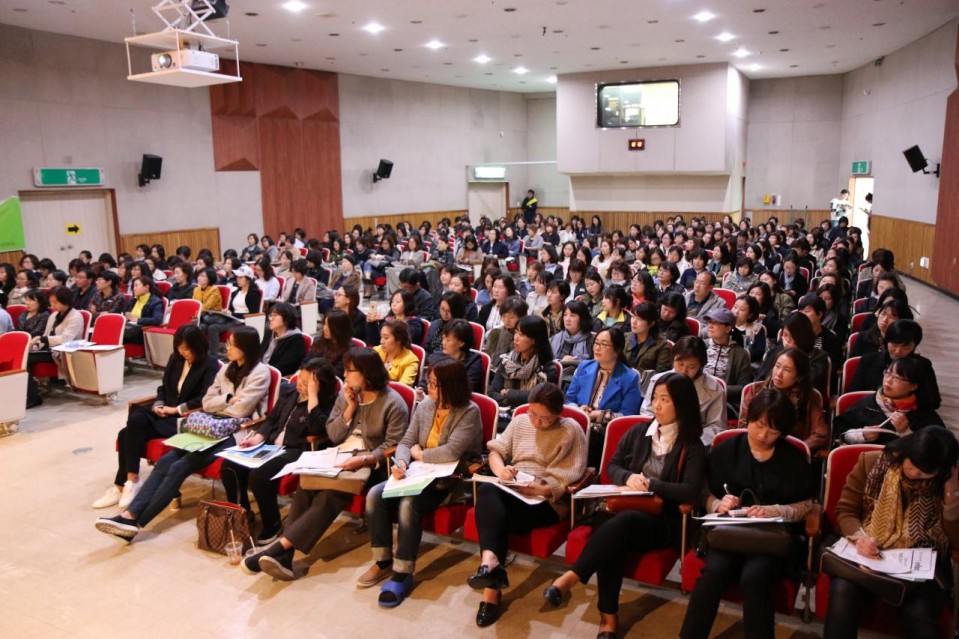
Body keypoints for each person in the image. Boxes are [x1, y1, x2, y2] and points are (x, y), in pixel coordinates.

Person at [543, 373, 706, 638]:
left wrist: (651, 484)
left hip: (660, 520)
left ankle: (573, 578)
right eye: (655, 398)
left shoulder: (693, 445)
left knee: (622, 525)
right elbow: (613, 466)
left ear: (682, 404)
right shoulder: (639, 431)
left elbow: (690, 490)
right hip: (621, 508)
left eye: (665, 400)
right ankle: (608, 617)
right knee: (614, 535)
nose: (656, 405)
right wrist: (629, 477)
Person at [242, 347, 408, 580]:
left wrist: (365, 459)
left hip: (371, 464)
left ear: (366, 373)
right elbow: (334, 434)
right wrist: (350, 408)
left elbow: (393, 445)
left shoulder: (393, 403)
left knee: (330, 493)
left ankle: (277, 549)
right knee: (307, 485)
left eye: (350, 371)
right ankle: (284, 557)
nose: (345, 375)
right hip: (339, 454)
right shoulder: (347, 395)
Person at [95, 327, 271, 542]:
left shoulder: (260, 372)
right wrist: (227, 400)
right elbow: (207, 402)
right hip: (208, 426)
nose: (228, 348)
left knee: (179, 466)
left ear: (246, 347)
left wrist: (221, 404)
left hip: (235, 433)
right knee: (165, 461)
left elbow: (241, 410)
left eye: (232, 344)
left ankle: (136, 522)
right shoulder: (226, 368)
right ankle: (129, 515)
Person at [680, 388, 813, 639]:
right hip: (728, 536)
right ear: (748, 419)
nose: (763, 435)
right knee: (713, 573)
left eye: (772, 431)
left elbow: (807, 506)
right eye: (758, 425)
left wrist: (775, 510)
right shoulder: (726, 450)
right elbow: (702, 493)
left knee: (755, 576)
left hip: (769, 541)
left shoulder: (792, 459)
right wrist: (717, 504)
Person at [362, 358, 483, 606]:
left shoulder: (469, 411)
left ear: (451, 386)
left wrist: (419, 455)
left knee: (409, 503)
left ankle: (402, 571)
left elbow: (451, 451)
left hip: (448, 480)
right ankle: (383, 561)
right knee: (375, 494)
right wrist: (401, 462)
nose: (429, 388)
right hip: (417, 474)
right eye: (429, 382)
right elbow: (407, 441)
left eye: (435, 384)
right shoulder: (426, 405)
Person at [466, 382, 587, 627]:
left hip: (547, 501)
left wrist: (541, 488)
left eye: (545, 418)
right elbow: (496, 452)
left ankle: (491, 589)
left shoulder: (571, 430)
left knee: (494, 517)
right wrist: (502, 471)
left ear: (558, 414)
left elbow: (569, 475)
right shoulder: (521, 421)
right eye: (533, 414)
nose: (537, 422)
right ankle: (490, 563)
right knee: (489, 489)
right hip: (516, 488)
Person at [822, 428, 959, 639]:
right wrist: (860, 538)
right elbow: (846, 510)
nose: (914, 474)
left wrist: (951, 496)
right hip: (869, 556)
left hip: (919, 567)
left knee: (920, 614)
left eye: (924, 473)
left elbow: (956, 541)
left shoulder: (948, 484)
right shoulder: (872, 463)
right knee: (843, 591)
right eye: (912, 465)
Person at [92, 325, 219, 510]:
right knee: (133, 422)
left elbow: (204, 398)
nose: (182, 352)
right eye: (179, 347)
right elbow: (163, 388)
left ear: (197, 346)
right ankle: (129, 482)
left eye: (186, 348)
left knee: (126, 433)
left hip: (185, 419)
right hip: (164, 413)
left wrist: (175, 410)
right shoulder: (175, 359)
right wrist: (158, 404)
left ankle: (126, 484)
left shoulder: (210, 364)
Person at [221, 357, 338, 545]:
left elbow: (318, 429)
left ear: (319, 386)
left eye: (306, 383)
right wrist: (257, 438)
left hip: (296, 450)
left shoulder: (326, 404)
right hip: (269, 445)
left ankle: (272, 523)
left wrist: (312, 397)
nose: (299, 384)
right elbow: (271, 419)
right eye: (300, 379)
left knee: (259, 476)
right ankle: (242, 513)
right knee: (229, 466)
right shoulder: (290, 391)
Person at [565, 327, 642, 464]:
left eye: (604, 344)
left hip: (604, 431)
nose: (597, 348)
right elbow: (568, 399)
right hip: (579, 423)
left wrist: (600, 415)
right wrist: (578, 409)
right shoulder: (584, 367)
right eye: (596, 342)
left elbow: (628, 415)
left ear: (617, 350)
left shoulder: (630, 377)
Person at [834, 356, 945, 444]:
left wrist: (906, 432)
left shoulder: (923, 413)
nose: (888, 380)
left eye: (897, 378)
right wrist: (861, 435)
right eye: (888, 373)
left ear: (913, 386)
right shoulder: (868, 404)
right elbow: (840, 432)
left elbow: (937, 449)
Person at [739, 348, 829, 454]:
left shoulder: (809, 397)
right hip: (756, 448)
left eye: (787, 370)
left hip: (792, 455)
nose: (778, 374)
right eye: (777, 366)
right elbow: (743, 425)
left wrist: (795, 450)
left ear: (799, 377)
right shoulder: (756, 390)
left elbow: (820, 435)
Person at [642, 336, 726, 445]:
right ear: (673, 359)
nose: (683, 371)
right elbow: (646, 413)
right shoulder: (657, 380)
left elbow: (717, 427)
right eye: (680, 364)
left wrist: (690, 440)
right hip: (658, 437)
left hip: (694, 442)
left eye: (691, 367)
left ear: (700, 366)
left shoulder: (714, 389)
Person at [849, 319, 940, 408]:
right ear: (887, 341)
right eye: (894, 345)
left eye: (905, 347)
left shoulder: (922, 365)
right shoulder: (869, 360)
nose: (898, 351)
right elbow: (853, 393)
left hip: (909, 413)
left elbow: (933, 401)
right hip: (870, 410)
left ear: (914, 346)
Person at [488, 315, 558, 412]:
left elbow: (540, 397)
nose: (516, 338)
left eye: (521, 335)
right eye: (516, 332)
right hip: (504, 411)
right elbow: (492, 392)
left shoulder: (546, 368)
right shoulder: (507, 360)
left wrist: (508, 392)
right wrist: (511, 404)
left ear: (535, 339)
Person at [200, 264, 262, 355]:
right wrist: (226, 311)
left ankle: (213, 355)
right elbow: (231, 309)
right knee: (206, 325)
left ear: (248, 279)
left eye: (241, 277)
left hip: (243, 322)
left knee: (213, 328)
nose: (238, 279)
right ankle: (205, 352)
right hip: (232, 320)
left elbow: (253, 314)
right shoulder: (236, 292)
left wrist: (232, 314)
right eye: (237, 277)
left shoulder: (253, 294)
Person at [702, 308, 754, 407]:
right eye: (709, 322)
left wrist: (717, 389)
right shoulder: (701, 345)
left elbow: (743, 387)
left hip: (724, 402)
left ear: (728, 329)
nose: (710, 326)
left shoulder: (741, 354)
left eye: (715, 323)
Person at [417, 318, 484, 394]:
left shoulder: (473, 362)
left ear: (461, 343)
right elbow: (426, 380)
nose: (443, 343)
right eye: (443, 338)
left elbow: (466, 388)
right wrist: (421, 389)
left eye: (448, 340)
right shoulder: (436, 357)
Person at [624, 301, 673, 382]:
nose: (634, 322)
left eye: (639, 319)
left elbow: (660, 376)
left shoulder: (662, 346)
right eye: (633, 317)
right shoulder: (624, 337)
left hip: (644, 385)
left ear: (651, 323)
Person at [550, 300, 593, 386]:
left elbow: (593, 366)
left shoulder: (592, 340)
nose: (567, 319)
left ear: (582, 318)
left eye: (572, 315)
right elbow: (546, 362)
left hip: (580, 382)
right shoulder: (555, 338)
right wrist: (560, 362)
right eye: (565, 315)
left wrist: (574, 362)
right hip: (554, 380)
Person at [259, 302, 306, 377]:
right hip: (261, 371)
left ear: (287, 319)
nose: (271, 319)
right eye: (271, 315)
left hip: (275, 376)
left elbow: (284, 367)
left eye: (275, 315)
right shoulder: (269, 332)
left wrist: (261, 371)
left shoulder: (296, 340)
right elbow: (259, 353)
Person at [374, 319, 420, 386]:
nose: (381, 341)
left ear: (399, 340)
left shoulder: (410, 361)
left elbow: (403, 388)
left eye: (386, 338)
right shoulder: (377, 350)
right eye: (381, 337)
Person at [122, 276, 164, 345]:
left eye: (136, 286)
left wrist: (137, 320)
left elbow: (157, 320)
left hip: (142, 330)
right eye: (133, 286)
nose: (134, 288)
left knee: (118, 332)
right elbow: (125, 313)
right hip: (129, 326)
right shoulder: (132, 300)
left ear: (146, 287)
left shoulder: (155, 302)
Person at [732, 294, 767, 364]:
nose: (736, 312)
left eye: (741, 309)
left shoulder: (756, 329)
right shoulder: (725, 325)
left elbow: (758, 353)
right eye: (735, 307)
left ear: (750, 315)